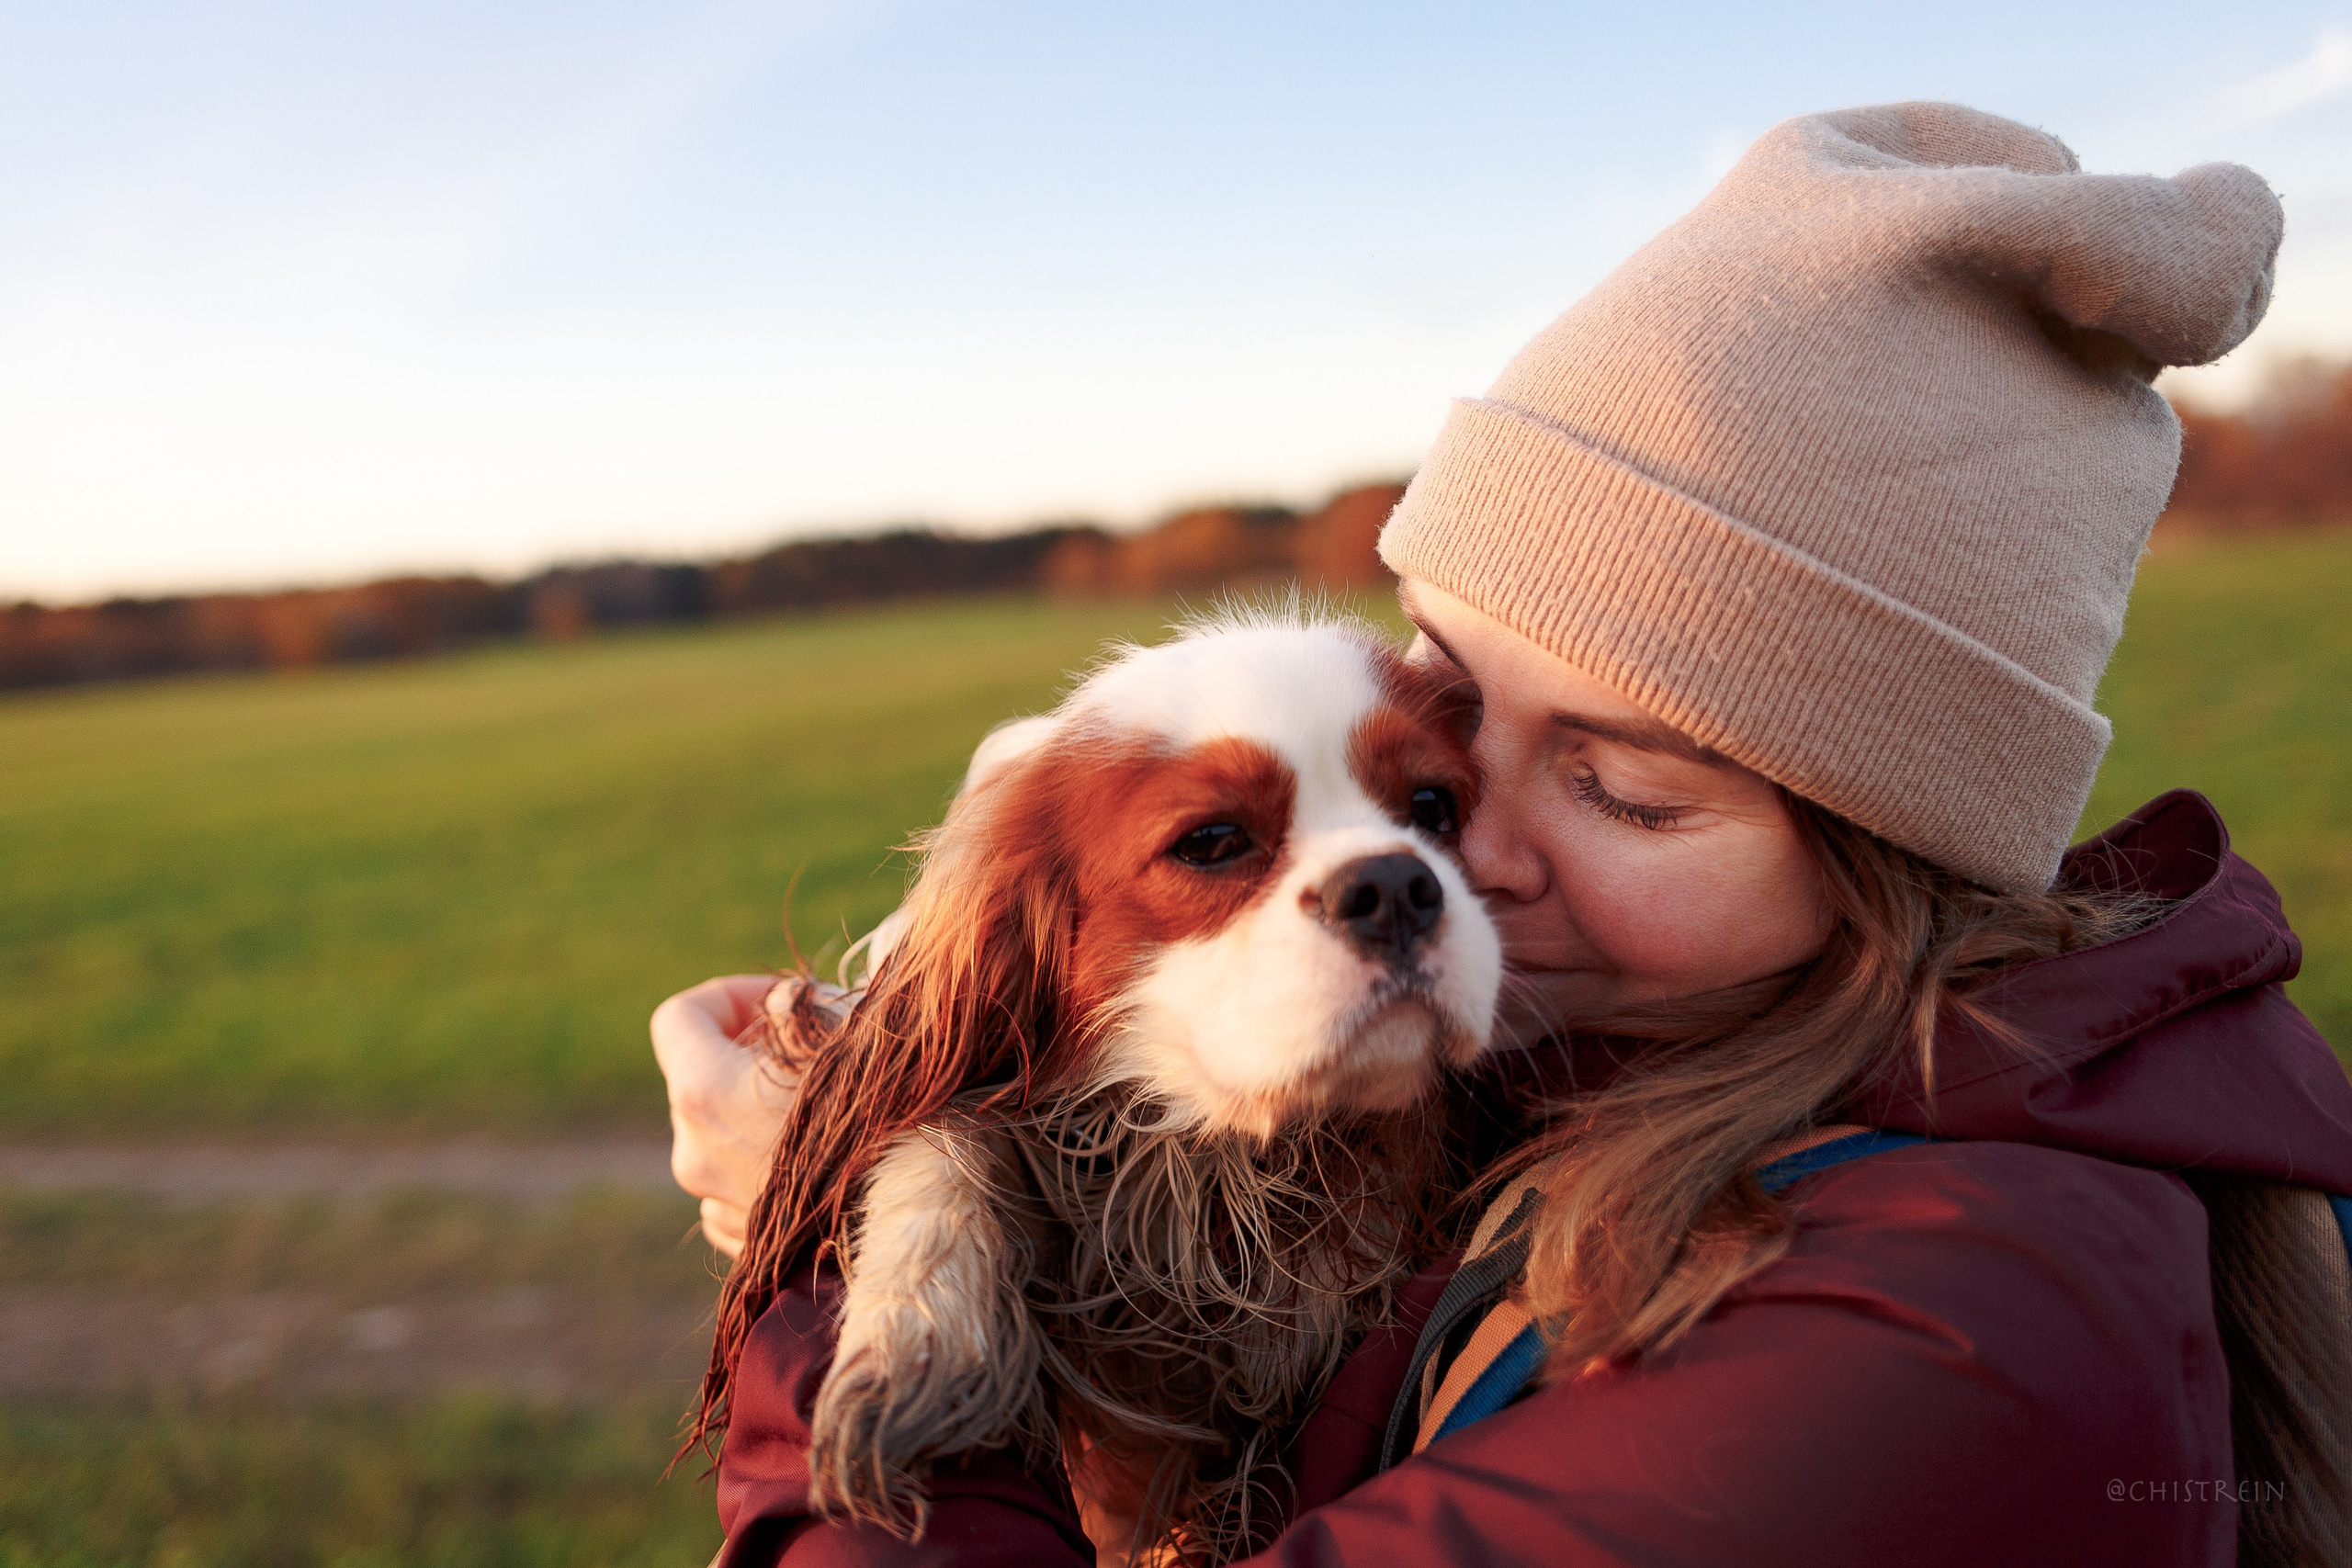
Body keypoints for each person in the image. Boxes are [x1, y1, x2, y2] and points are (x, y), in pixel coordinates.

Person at [653, 103, 2352, 1566]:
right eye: (1450, 748)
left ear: (1894, 865)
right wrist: (926, 1164)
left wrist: (821, 1235)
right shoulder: (1594, 1062)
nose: (1469, 859)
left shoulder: (1959, 1326)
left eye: (1625, 787)